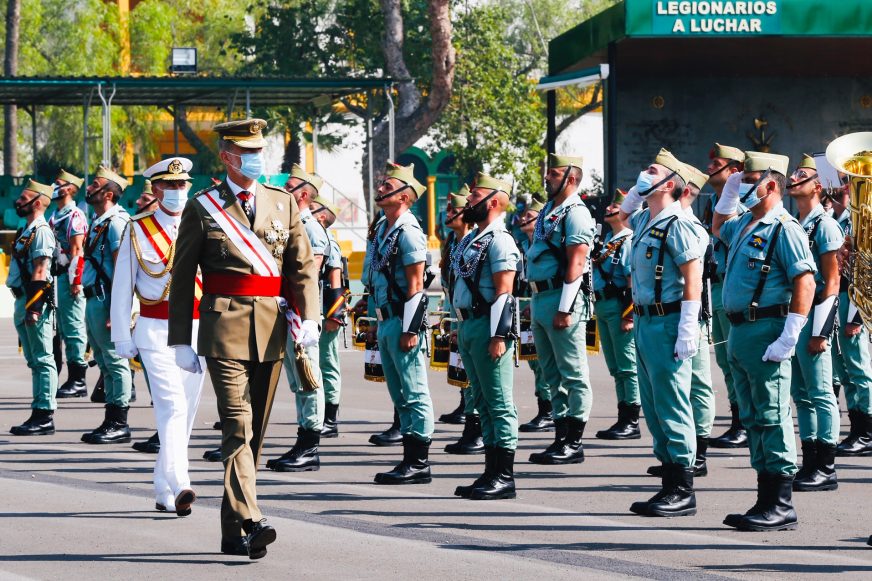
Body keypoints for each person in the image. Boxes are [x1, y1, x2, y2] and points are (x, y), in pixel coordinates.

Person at [168, 118, 319, 559]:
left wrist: (309, 316)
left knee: (254, 437)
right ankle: (253, 518)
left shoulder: (282, 202)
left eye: (259, 150)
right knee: (236, 426)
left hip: (270, 329)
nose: (257, 158)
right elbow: (182, 277)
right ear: (228, 158)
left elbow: (302, 265)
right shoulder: (203, 207)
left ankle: (233, 534)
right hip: (223, 327)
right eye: (248, 152)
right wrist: (182, 337)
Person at [713, 151, 816, 532]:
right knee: (754, 415)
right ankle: (763, 497)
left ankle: (780, 502)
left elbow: (804, 280)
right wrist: (732, 188)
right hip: (741, 331)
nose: (742, 186)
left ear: (771, 185)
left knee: (772, 415)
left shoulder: (783, 228)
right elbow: (719, 223)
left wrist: (790, 336)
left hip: (767, 329)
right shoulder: (745, 224)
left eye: (750, 179)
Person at [110, 156, 206, 515]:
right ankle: (182, 482)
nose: (178, 191)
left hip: (197, 328)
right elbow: (123, 285)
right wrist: (122, 334)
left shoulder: (202, 224)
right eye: (170, 185)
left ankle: (163, 487)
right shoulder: (137, 227)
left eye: (183, 185)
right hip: (155, 329)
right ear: (155, 188)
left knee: (186, 411)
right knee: (172, 406)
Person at [619, 149, 702, 517]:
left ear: (669, 184)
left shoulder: (677, 224)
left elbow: (692, 277)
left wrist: (687, 325)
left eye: (651, 170)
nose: (642, 172)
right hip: (644, 320)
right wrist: (639, 190)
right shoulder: (645, 221)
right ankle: (668, 481)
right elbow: (623, 214)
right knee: (652, 406)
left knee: (672, 403)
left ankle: (683, 487)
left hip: (668, 321)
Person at [451, 173, 520, 500]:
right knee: (481, 400)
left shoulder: (500, 240)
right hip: (469, 325)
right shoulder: (473, 238)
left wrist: (499, 335)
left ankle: (503, 475)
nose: (468, 201)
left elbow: (505, 293)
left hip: (489, 327)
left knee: (499, 402)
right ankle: (490, 470)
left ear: (493, 201)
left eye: (475, 194)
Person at [527, 154, 595, 466]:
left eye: (553, 174)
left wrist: (565, 308)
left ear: (570, 178)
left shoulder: (576, 213)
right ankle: (560, 436)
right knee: (551, 372)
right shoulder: (550, 210)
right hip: (542, 297)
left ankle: (574, 440)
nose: (547, 178)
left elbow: (577, 263)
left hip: (561, 297)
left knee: (573, 372)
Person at [368, 162, 434, 485]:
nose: (381, 189)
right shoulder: (382, 228)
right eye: (382, 184)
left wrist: (410, 328)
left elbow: (416, 285)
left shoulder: (408, 231)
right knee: (399, 392)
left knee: (414, 390)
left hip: (402, 320)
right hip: (386, 320)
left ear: (405, 196)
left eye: (388, 185)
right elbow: (375, 278)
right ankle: (409, 457)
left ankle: (419, 460)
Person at [785, 154, 843, 492]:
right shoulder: (796, 223)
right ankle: (809, 460)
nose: (794, 178)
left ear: (817, 186)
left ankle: (826, 466)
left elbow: (832, 280)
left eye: (802, 175)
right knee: (801, 393)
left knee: (821, 393)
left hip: (813, 317)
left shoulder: (825, 225)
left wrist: (821, 330)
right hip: (795, 316)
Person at [266, 164, 328, 473]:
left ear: (303, 195)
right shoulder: (289, 223)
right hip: (286, 307)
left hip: (301, 312)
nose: (283, 190)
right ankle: (303, 439)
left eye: (289, 187)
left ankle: (310, 445)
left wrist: (308, 317)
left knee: (308, 377)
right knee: (296, 379)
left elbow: (309, 274)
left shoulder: (310, 227)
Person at [80, 167, 133, 445]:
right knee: (103, 360)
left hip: (106, 299)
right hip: (94, 298)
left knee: (114, 360)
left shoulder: (115, 223)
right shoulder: (100, 221)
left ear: (108, 194)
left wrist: (118, 309)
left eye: (96, 185)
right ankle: (110, 417)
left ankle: (119, 421)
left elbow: (121, 269)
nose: (90, 188)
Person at [704, 144, 749, 449]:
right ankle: (738, 421)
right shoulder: (716, 203)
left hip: (733, 286)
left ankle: (746, 422)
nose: (709, 168)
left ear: (734, 172)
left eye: (716, 163)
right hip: (717, 286)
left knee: (737, 360)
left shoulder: (740, 207)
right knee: (724, 358)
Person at [8, 180, 58, 435]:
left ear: (37, 203)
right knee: (34, 361)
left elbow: (41, 269)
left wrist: (34, 308)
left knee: (42, 359)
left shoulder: (41, 231)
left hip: (33, 302)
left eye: (24, 198)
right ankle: (38, 410)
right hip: (22, 299)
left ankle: (44, 415)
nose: (18, 201)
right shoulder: (26, 229)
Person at [441, 187, 485, 455]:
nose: (448, 215)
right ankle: (470, 425)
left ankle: (476, 430)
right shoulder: (454, 242)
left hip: (472, 316)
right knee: (463, 373)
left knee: (474, 378)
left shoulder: (474, 242)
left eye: (453, 211)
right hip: (456, 313)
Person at [592, 189, 639, 441]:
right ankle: (623, 415)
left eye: (615, 207)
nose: (609, 209)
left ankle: (631, 419)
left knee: (627, 365)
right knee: (615, 366)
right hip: (604, 306)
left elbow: (632, 281)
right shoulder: (610, 240)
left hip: (619, 308)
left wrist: (628, 315)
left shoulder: (628, 241)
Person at [830, 178, 872, 456]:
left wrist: (856, 317)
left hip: (853, 299)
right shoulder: (837, 220)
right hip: (838, 297)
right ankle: (857, 427)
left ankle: (866, 431)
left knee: (858, 368)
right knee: (844, 369)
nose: (837, 189)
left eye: (845, 184)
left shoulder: (861, 222)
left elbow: (865, 271)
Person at [514, 198, 554, 433]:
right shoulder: (523, 245)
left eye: (530, 216)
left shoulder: (544, 243)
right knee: (533, 360)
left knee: (543, 361)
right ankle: (545, 407)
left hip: (539, 303)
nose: (523, 219)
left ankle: (548, 410)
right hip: (527, 307)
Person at [50, 169, 90, 399]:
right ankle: (69, 376)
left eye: (59, 183)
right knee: (63, 328)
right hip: (57, 275)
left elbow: (77, 249)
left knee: (74, 326)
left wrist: (76, 281)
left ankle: (78, 379)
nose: (55, 186)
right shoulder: (56, 215)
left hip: (69, 276)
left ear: (69, 189)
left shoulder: (75, 215)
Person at [311, 195, 348, 439]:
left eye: (313, 209)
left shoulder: (328, 241)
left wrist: (335, 316)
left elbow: (335, 277)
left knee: (328, 363)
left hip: (327, 313)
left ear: (322, 216)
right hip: (317, 311)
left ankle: (330, 419)